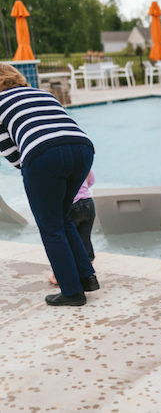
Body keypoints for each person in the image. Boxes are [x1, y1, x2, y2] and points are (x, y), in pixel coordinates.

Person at [0, 64, 98, 306]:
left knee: (50, 226)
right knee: (63, 218)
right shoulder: (42, 93)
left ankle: (72, 292)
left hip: (43, 154)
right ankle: (86, 277)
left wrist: (32, 171)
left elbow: (9, 150)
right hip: (83, 149)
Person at [48, 170, 96, 285]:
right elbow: (91, 181)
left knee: (67, 242)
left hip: (71, 205)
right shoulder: (81, 160)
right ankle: (87, 274)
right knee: (84, 240)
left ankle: (59, 276)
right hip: (88, 203)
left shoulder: (59, 163)